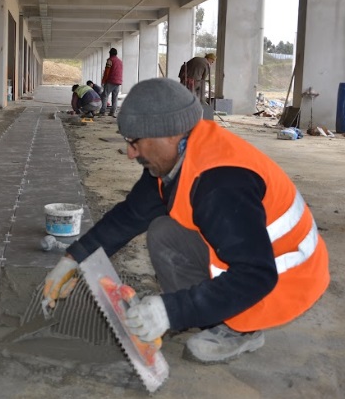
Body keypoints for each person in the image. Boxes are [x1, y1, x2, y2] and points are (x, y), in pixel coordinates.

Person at [43, 78, 329, 363]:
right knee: (163, 232)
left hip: (285, 276)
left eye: (135, 142)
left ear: (170, 135)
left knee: (182, 262)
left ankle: (242, 330)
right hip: (254, 254)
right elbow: (130, 215)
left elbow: (256, 275)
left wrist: (170, 311)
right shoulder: (179, 158)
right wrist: (74, 259)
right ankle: (196, 313)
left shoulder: (220, 184)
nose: (130, 154)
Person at [99, 48, 123, 117]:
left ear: (110, 53)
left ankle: (102, 112)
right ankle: (113, 112)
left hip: (111, 81)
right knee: (115, 98)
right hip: (118, 81)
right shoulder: (120, 61)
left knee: (105, 96)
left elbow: (107, 71)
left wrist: (103, 80)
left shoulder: (110, 60)